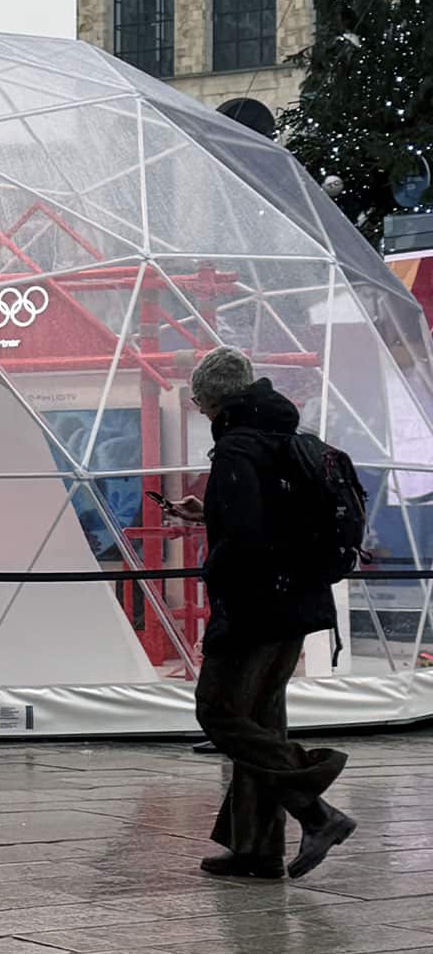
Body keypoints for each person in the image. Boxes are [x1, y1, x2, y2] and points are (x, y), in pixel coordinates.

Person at [166, 347, 356, 880]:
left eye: (199, 402)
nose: (200, 411)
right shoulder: (281, 436)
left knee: (219, 712)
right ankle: (257, 849)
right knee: (259, 721)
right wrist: (212, 514)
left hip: (257, 608)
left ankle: (316, 812)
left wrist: (217, 582)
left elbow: (248, 539)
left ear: (212, 400)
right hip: (298, 600)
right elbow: (273, 518)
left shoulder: (236, 448)